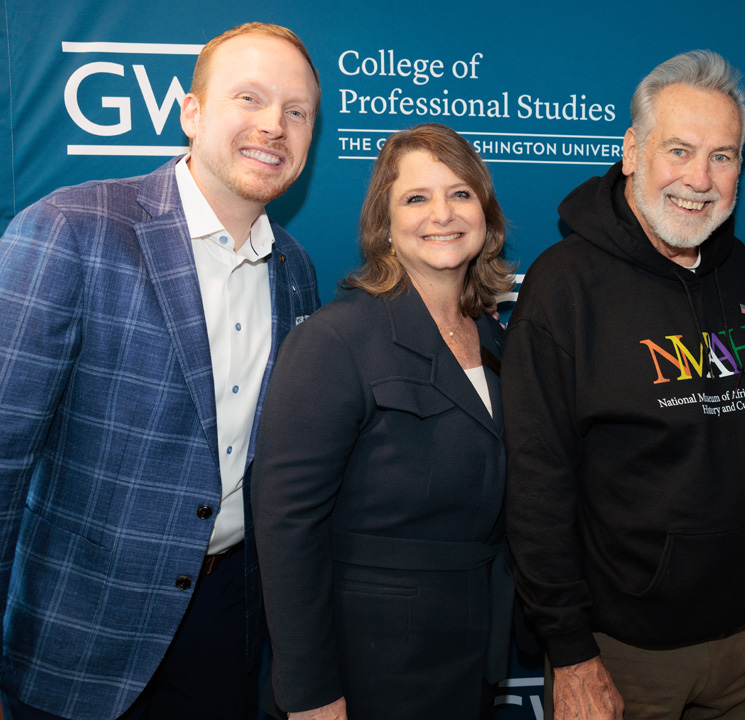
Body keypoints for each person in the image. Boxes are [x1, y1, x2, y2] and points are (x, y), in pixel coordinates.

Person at [0, 22, 321, 720]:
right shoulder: (72, 229)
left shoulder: (296, 272)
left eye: (297, 112)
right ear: (192, 112)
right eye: (249, 98)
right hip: (80, 636)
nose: (274, 125)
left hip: (227, 634)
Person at [502, 50, 745, 719]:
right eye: (679, 150)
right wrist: (571, 652)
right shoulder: (564, 286)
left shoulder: (735, 265)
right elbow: (536, 480)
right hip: (624, 647)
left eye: (722, 157)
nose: (699, 179)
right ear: (632, 151)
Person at [251, 123, 515, 720]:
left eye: (461, 194)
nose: (441, 214)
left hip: (471, 650)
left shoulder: (500, 341)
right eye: (417, 198)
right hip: (367, 662)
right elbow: (286, 525)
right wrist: (312, 693)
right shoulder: (336, 339)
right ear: (385, 226)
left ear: (486, 214)